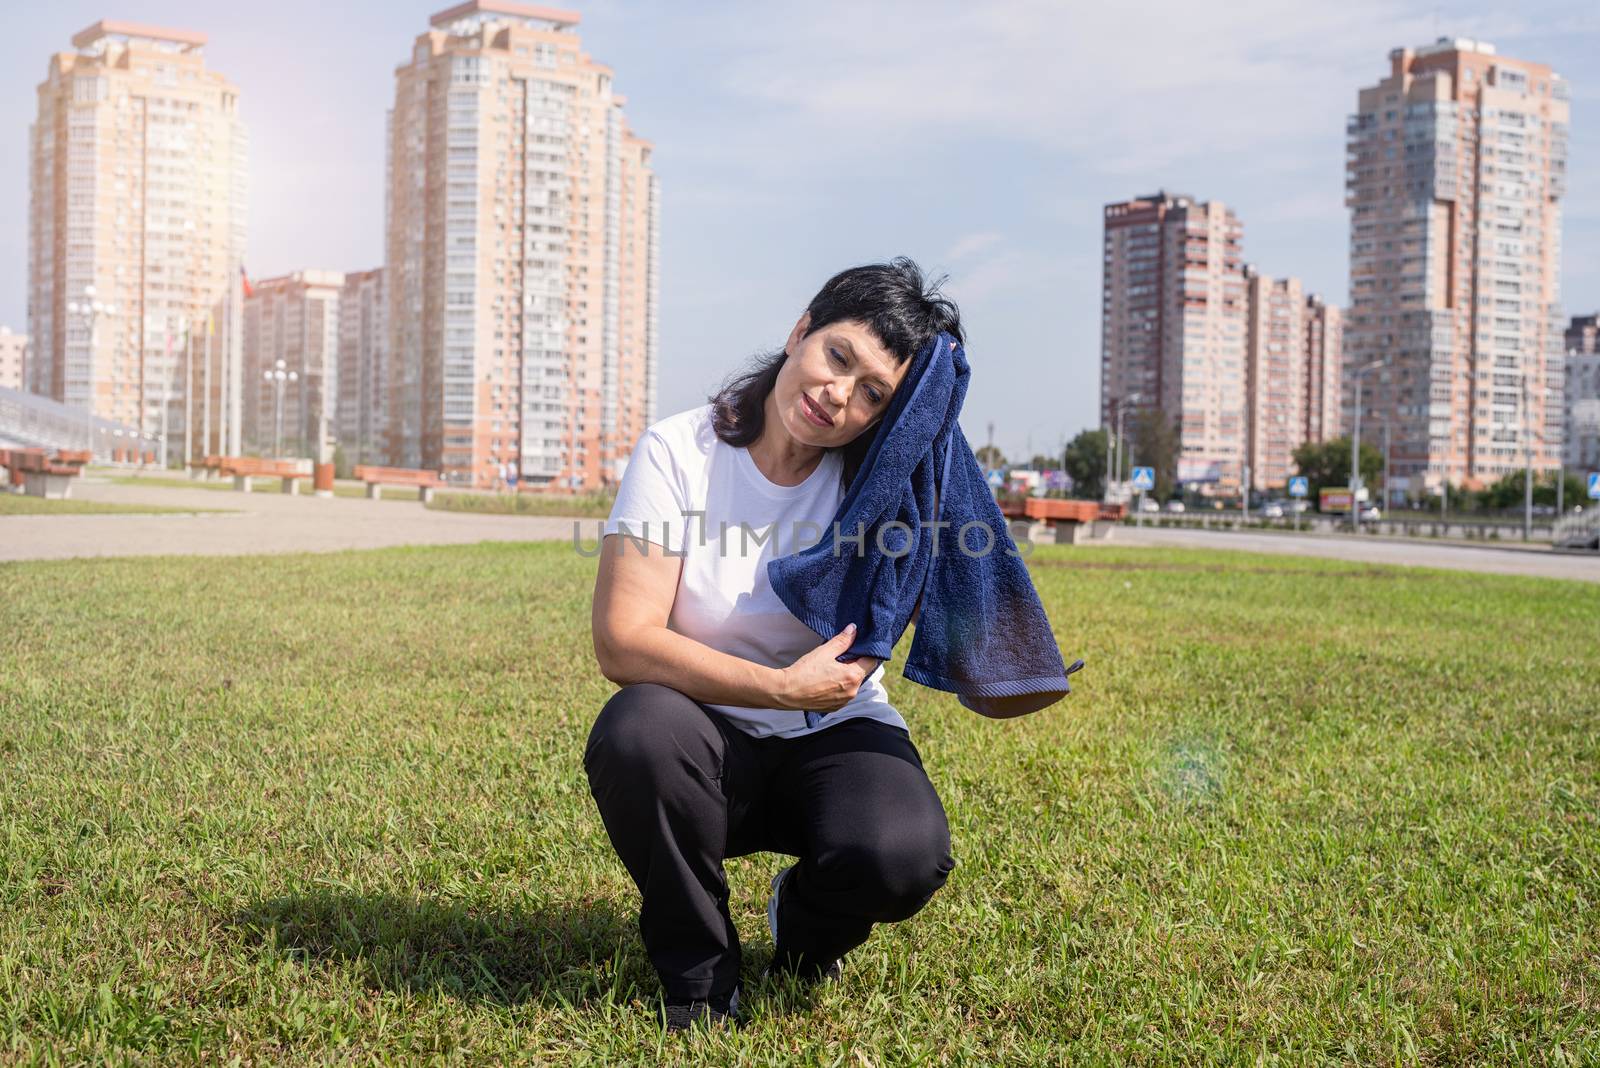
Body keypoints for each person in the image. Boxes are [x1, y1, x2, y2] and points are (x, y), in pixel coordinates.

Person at [586, 258, 962, 1033]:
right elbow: (624, 642)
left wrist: (1015, 671)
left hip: (833, 732)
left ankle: (802, 929)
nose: (838, 396)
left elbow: (964, 609)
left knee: (902, 855)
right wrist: (781, 688)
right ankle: (698, 974)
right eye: (837, 357)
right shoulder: (677, 451)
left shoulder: (881, 488)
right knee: (637, 732)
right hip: (702, 739)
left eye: (873, 394)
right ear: (799, 333)